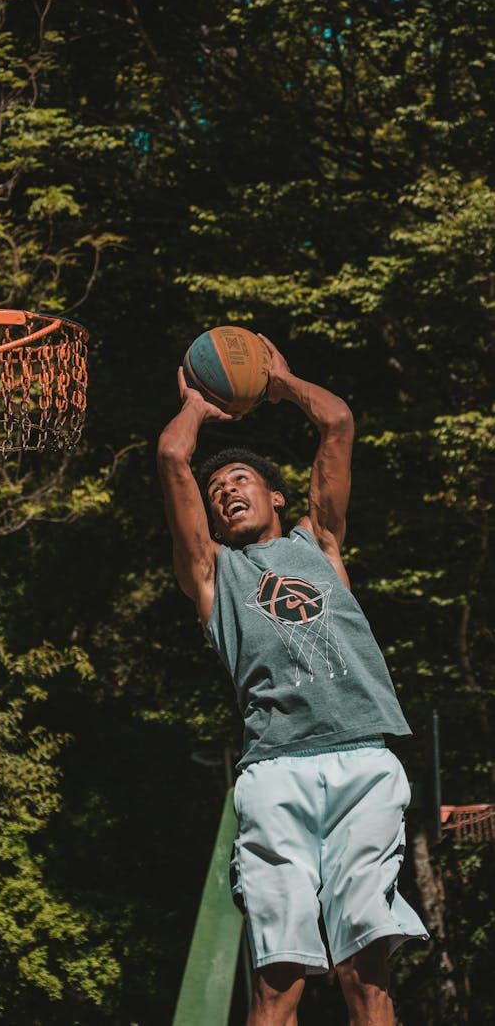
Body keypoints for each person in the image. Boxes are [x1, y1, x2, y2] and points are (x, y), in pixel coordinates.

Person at [157, 334, 428, 1026]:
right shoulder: (213, 578)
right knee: (278, 981)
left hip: (364, 758)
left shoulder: (320, 543)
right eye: (217, 493)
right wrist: (194, 403)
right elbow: (172, 456)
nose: (225, 493)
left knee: (363, 972)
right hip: (276, 769)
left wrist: (281, 383)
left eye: (239, 481)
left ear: (276, 494)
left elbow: (336, 422)